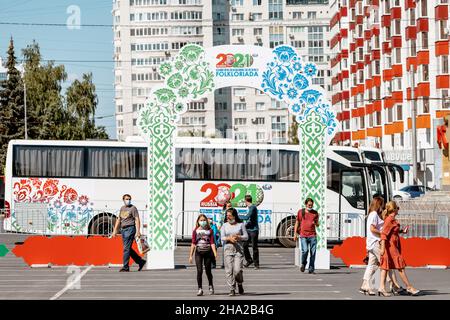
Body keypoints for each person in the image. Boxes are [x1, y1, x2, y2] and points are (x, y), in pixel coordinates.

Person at [360, 197, 404, 296]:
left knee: (371, 265)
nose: (383, 206)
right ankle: (393, 286)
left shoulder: (371, 214)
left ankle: (365, 285)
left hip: (370, 243)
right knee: (386, 265)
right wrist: (382, 233)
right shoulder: (374, 214)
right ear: (379, 204)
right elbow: (372, 228)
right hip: (375, 242)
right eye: (382, 204)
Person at [378, 201, 420, 297]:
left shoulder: (392, 219)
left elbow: (392, 231)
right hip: (390, 247)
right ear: (394, 209)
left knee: (386, 268)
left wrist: (401, 231)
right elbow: (384, 234)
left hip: (393, 246)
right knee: (400, 267)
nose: (398, 209)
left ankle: (383, 287)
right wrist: (382, 249)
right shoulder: (389, 220)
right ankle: (409, 287)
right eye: (397, 207)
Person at [111, 194, 146, 272]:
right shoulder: (122, 208)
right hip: (123, 230)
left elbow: (137, 219)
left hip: (130, 229)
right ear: (123, 200)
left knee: (126, 249)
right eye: (126, 199)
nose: (128, 200)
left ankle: (126, 267)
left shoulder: (133, 208)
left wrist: (138, 231)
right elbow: (119, 219)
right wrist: (114, 231)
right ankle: (140, 261)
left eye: (129, 199)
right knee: (128, 248)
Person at [221, 208, 249, 296]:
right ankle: (232, 288)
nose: (228, 217)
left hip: (238, 249)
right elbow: (222, 237)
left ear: (234, 216)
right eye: (227, 216)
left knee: (237, 270)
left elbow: (246, 236)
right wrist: (229, 238)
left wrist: (239, 237)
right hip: (228, 248)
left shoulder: (241, 225)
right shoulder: (224, 225)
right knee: (229, 270)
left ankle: (239, 283)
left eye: (230, 215)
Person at [189, 214, 218, 296]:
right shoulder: (196, 231)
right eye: (201, 220)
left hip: (208, 252)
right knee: (199, 271)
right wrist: (190, 255)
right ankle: (200, 288)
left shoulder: (210, 230)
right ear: (198, 221)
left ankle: (210, 285)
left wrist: (215, 253)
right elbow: (193, 243)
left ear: (207, 221)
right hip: (198, 252)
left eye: (204, 220)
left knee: (208, 271)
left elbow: (212, 242)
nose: (203, 222)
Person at [293, 198, 319, 274]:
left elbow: (318, 224)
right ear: (306, 204)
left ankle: (311, 268)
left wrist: (316, 223)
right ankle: (303, 263)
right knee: (305, 251)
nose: (310, 206)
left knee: (313, 253)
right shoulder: (301, 212)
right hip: (303, 235)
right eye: (309, 205)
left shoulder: (315, 213)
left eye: (311, 205)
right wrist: (295, 233)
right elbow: (297, 222)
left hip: (312, 235)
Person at [243, 195, 260, 269]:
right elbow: (249, 220)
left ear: (246, 201)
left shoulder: (252, 207)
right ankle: (249, 260)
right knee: (244, 245)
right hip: (248, 230)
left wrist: (236, 216)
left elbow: (247, 217)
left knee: (254, 247)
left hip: (254, 230)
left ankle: (256, 264)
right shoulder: (250, 208)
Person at [218, 201, 232, 268]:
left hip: (232, 231)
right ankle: (223, 263)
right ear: (225, 206)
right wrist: (219, 228)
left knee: (232, 247)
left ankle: (231, 263)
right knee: (224, 248)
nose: (229, 207)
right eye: (228, 206)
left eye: (230, 206)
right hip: (224, 231)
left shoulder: (233, 213)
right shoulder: (222, 212)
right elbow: (219, 221)